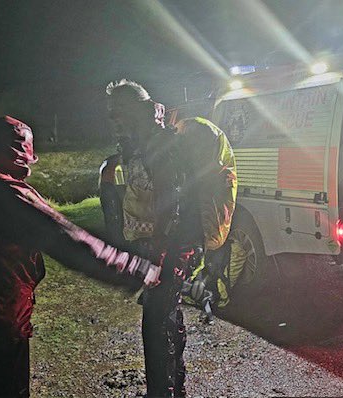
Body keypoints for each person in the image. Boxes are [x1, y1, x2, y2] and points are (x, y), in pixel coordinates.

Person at [0, 115, 161, 397]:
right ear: (10, 155)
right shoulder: (1, 191)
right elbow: (69, 239)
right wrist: (138, 269)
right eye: (24, 163)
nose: (27, 172)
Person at [106, 79, 237, 397]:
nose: (113, 119)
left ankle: (162, 393)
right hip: (164, 245)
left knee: (156, 324)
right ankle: (173, 389)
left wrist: (162, 253)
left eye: (117, 112)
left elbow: (171, 201)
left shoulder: (159, 145)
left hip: (171, 246)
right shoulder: (139, 143)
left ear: (135, 110)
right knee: (166, 315)